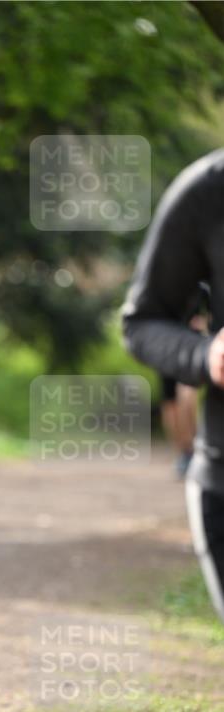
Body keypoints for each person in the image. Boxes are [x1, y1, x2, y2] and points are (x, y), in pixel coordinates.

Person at [122, 149, 224, 621]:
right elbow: (142, 322)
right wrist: (206, 355)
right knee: (175, 397)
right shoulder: (208, 190)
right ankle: (182, 452)